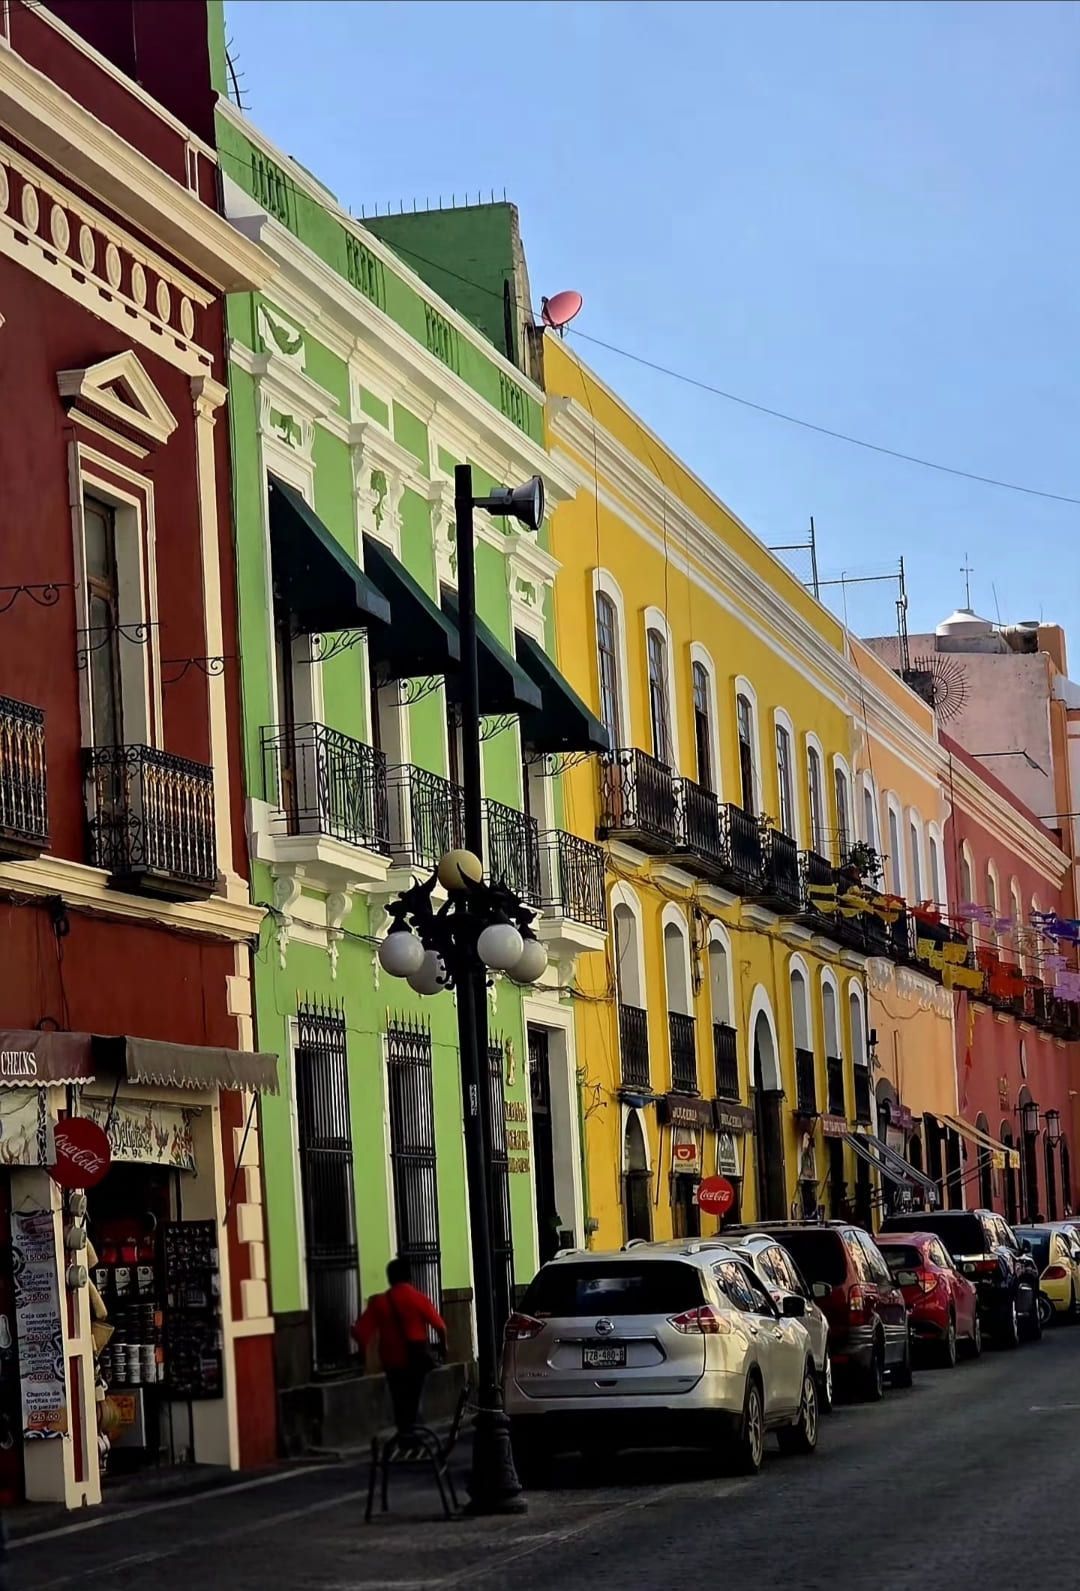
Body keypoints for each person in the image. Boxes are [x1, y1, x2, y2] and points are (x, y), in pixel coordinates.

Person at [352, 1258, 447, 1434]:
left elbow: (359, 1331)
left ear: (390, 1279)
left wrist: (364, 1355)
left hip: (392, 1361)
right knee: (413, 1397)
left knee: (399, 1399)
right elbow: (440, 1327)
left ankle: (405, 1435)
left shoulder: (381, 1302)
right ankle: (413, 1432)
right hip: (416, 1358)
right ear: (409, 1277)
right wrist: (443, 1348)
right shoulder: (418, 1298)